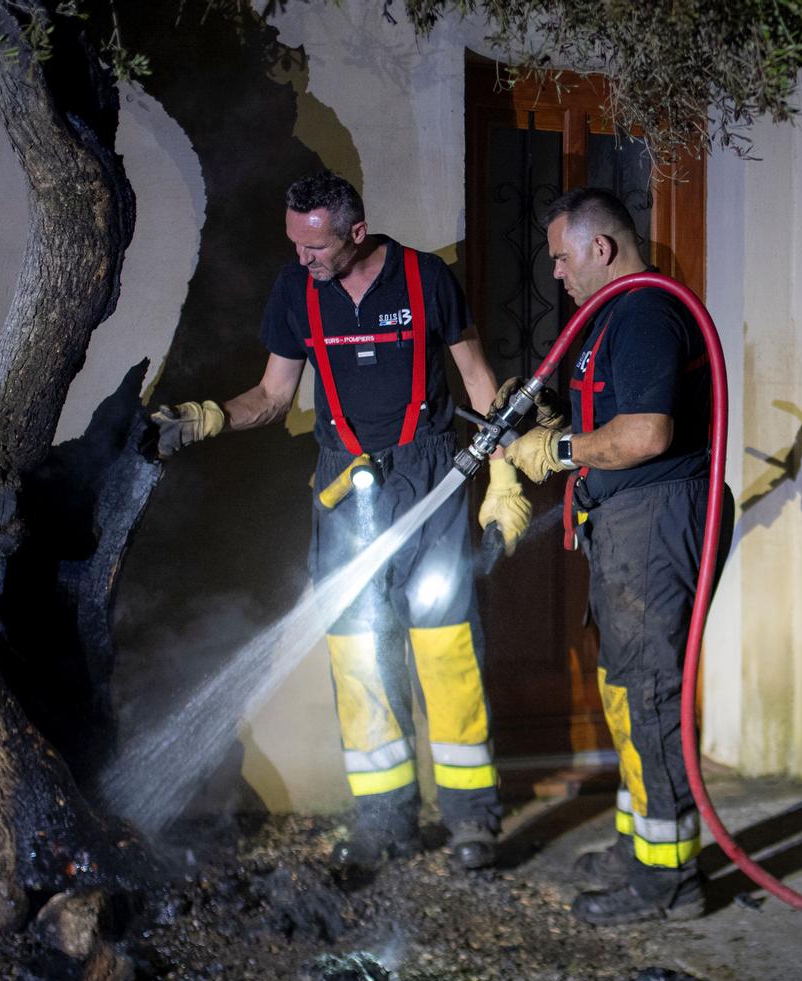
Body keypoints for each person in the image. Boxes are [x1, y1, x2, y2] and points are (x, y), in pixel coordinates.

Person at [150, 170, 533, 871]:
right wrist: (206, 418)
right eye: (295, 245)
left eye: (316, 247)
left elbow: (480, 382)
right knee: (357, 652)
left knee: (447, 646)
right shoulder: (296, 292)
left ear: (356, 233)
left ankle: (473, 819)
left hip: (431, 480)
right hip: (344, 487)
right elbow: (271, 396)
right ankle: (385, 819)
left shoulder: (425, 280)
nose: (304, 259)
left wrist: (503, 472)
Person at [502, 186, 727, 926]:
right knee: (629, 688)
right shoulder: (608, 321)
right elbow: (607, 418)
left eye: (563, 259)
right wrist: (542, 423)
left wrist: (558, 450)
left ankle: (668, 881)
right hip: (626, 522)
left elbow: (645, 435)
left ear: (601, 248)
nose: (557, 275)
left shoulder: (645, 315)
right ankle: (644, 850)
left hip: (657, 516)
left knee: (650, 691)